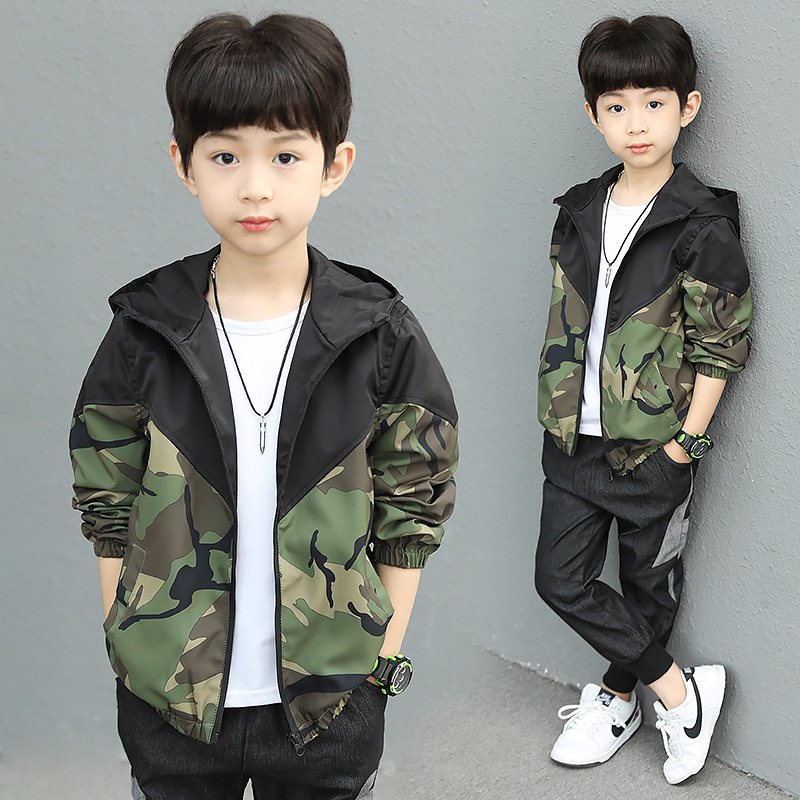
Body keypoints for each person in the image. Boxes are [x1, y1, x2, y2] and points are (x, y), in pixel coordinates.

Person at [68, 13, 458, 800]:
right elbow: (106, 495)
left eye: (285, 155)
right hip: (170, 705)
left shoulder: (378, 333)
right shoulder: (145, 327)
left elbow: (415, 506)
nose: (254, 186)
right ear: (183, 164)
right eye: (225, 155)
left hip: (330, 705)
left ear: (334, 164)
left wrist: (379, 661)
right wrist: (132, 647)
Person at [534, 15, 752, 785]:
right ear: (592, 114)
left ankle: (620, 695)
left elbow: (721, 343)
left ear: (686, 108)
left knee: (646, 586)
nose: (636, 123)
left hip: (656, 443)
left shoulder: (701, 221)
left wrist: (684, 445)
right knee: (559, 579)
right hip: (574, 439)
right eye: (617, 106)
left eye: (654, 103)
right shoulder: (578, 210)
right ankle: (680, 695)